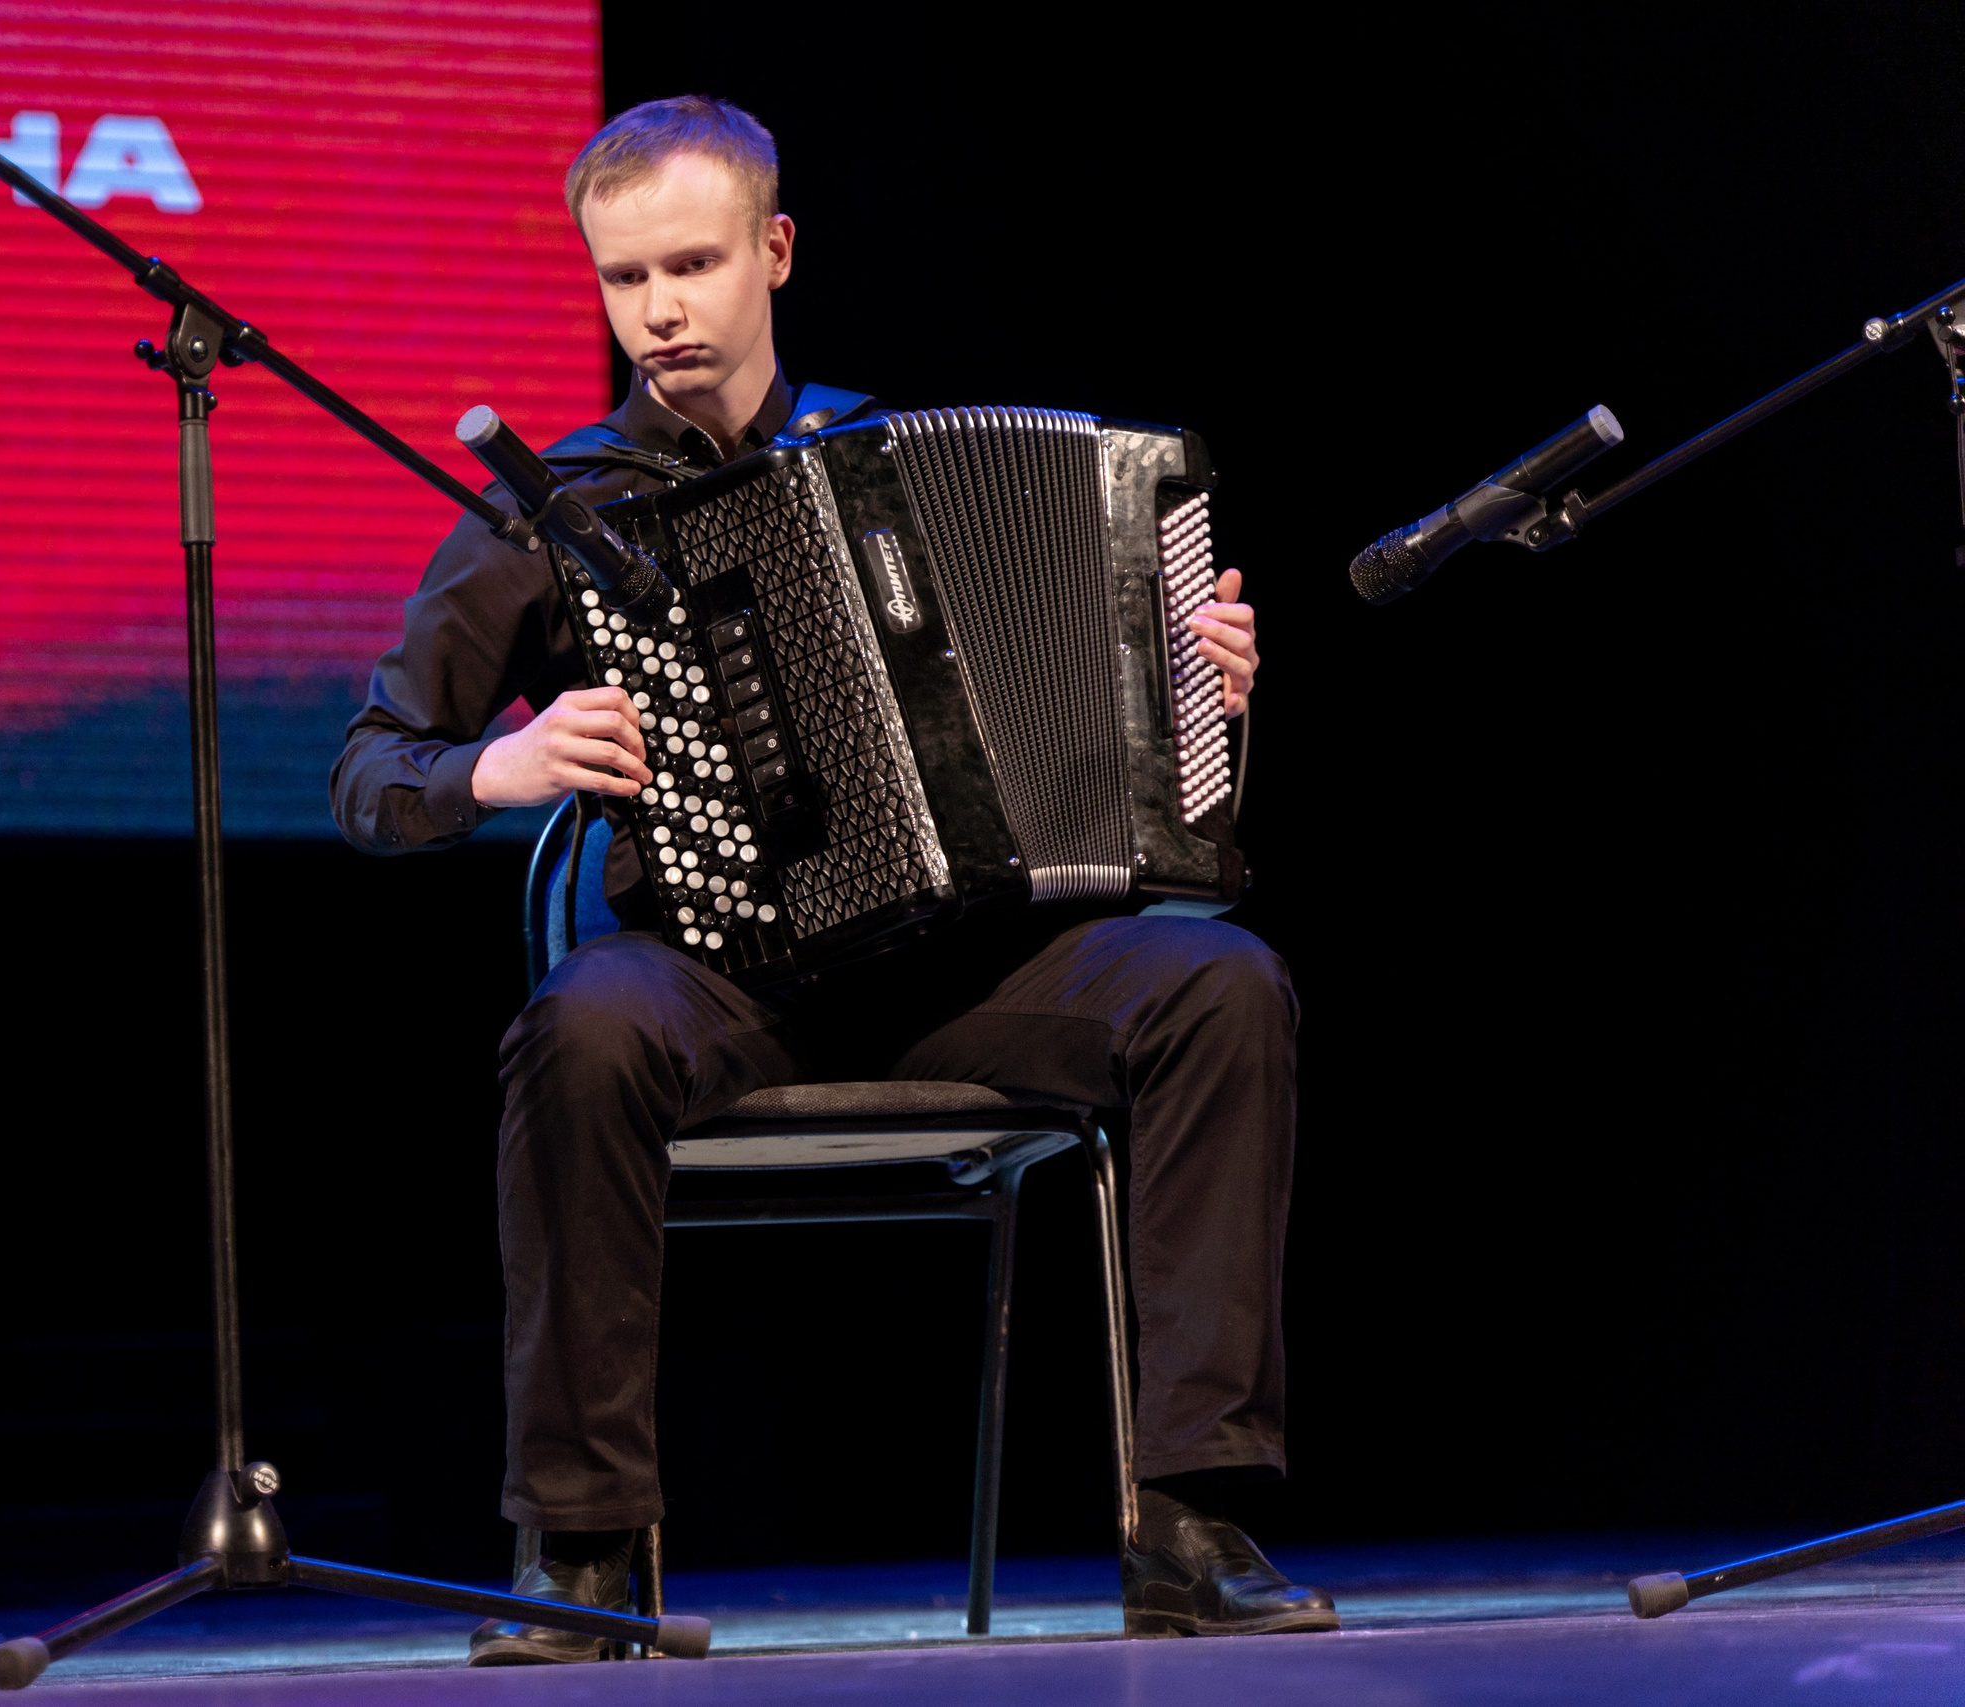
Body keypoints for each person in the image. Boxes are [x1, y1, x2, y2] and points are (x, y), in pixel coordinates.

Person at [331, 96, 1333, 1660]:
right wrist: (498, 769)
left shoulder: (875, 453)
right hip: (714, 982)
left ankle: (1193, 1525)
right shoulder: (558, 507)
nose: (657, 309)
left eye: (692, 263)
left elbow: (1095, 714)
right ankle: (586, 1555)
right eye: (621, 279)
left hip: (968, 976)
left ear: (775, 252)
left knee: (1219, 982)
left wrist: (1200, 681)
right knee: (576, 1033)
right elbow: (370, 769)